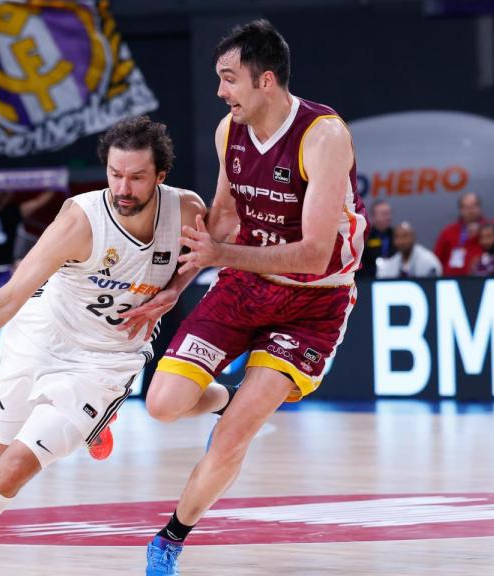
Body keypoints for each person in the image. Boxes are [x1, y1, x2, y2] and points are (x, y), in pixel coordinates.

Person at [0, 117, 205, 576]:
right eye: (115, 174)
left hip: (106, 362)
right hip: (41, 333)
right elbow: (8, 297)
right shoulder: (80, 220)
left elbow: (207, 252)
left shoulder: (187, 210)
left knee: (11, 471)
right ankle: (93, 427)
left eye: (136, 177)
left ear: (161, 177)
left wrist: (176, 287)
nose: (123, 187)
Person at [115, 21, 368, 575]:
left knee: (233, 438)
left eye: (229, 79)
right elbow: (223, 223)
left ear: (266, 80)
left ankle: (170, 540)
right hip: (246, 285)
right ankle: (229, 397)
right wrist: (175, 287)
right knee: (161, 405)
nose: (221, 91)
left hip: (313, 302)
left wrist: (218, 258)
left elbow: (312, 254)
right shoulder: (229, 131)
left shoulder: (323, 136)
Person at [433, 192, 494, 276]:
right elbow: (436, 259)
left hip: (479, 278)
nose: (470, 211)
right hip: (451, 279)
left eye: (473, 206)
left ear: (479, 207)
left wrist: (482, 227)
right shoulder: (448, 231)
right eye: (466, 207)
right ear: (461, 210)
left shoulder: (488, 228)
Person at [375, 222, 441, 278]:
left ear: (413, 237)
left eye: (405, 236)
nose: (401, 241)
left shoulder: (428, 260)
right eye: (397, 237)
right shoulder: (391, 262)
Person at [357, 199, 392, 278]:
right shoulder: (364, 237)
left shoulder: (395, 235)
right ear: (373, 216)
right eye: (384, 214)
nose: (388, 217)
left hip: (392, 278)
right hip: (367, 280)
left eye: (389, 213)